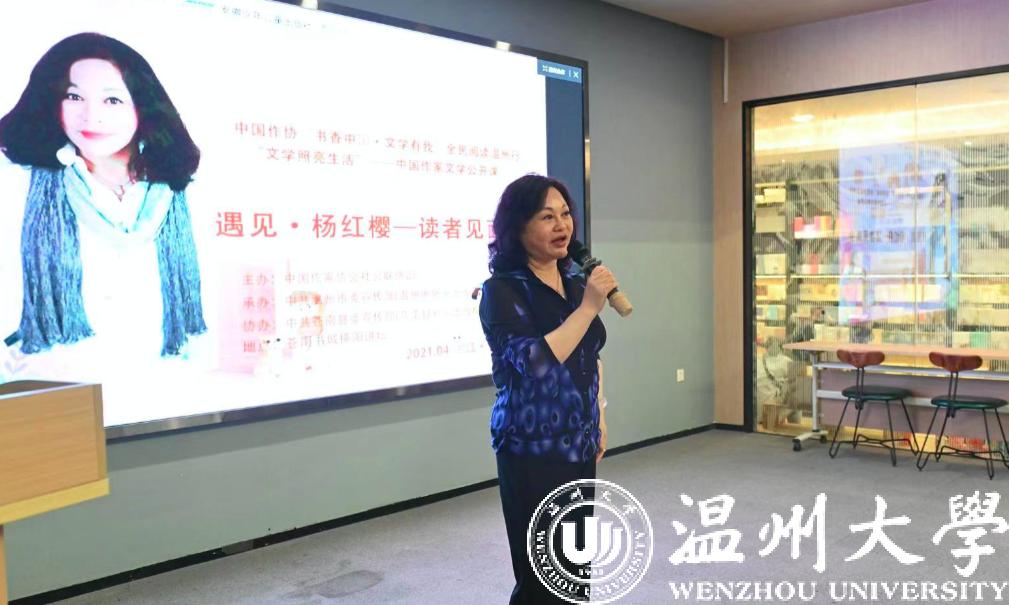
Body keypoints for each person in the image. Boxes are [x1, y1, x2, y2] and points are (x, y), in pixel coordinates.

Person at [0, 32, 205, 370]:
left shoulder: (186, 190)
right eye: (73, 96)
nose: (91, 116)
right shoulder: (15, 183)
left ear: (143, 105)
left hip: (167, 382)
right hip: (57, 385)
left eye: (112, 100)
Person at [479, 174, 616, 604]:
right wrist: (589, 307)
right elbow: (535, 362)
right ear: (518, 227)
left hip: (578, 442)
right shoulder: (501, 291)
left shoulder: (575, 283)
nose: (562, 225)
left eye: (565, 214)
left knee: (575, 567)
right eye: (546, 216)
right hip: (531, 448)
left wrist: (600, 417)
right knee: (542, 576)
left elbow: (591, 354)